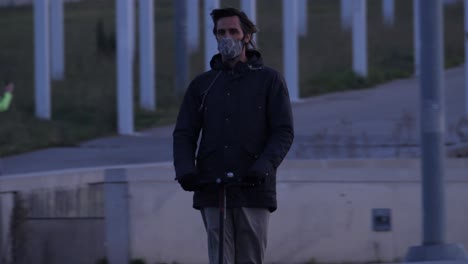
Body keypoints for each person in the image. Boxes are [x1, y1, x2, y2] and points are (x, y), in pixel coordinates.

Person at [173, 7, 294, 264]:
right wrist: (185, 168)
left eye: (233, 31)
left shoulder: (269, 81)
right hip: (211, 187)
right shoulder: (203, 85)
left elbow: (283, 132)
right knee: (219, 257)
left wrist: (263, 167)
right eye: (221, 32)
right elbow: (184, 132)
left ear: (247, 36)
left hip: (253, 188)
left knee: (250, 256)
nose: (227, 37)